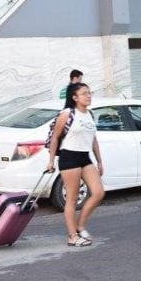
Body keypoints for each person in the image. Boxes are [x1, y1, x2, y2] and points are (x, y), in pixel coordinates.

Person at [46, 82, 105, 247]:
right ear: (75, 97)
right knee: (71, 200)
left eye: (89, 93)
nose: (89, 95)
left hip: (85, 157)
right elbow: (55, 138)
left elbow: (93, 140)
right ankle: (72, 236)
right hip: (69, 157)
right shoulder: (67, 114)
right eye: (84, 93)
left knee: (98, 193)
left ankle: (80, 225)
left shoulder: (90, 114)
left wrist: (99, 161)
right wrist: (51, 161)